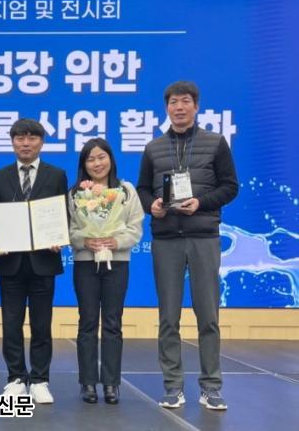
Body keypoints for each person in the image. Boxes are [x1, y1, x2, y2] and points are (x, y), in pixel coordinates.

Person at [136, 81, 238, 411]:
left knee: (208, 316)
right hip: (166, 239)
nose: (179, 107)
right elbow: (141, 189)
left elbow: (230, 187)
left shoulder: (215, 143)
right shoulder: (153, 148)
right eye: (173, 102)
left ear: (196, 106)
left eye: (185, 101)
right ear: (166, 108)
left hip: (203, 237)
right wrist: (151, 205)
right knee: (168, 317)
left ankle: (211, 387)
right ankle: (172, 386)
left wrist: (201, 203)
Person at [0, 118, 68, 404]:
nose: (25, 143)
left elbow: (62, 212)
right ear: (12, 142)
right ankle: (16, 378)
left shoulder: (56, 175)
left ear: (41, 142)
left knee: (41, 324)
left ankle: (40, 379)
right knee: (11, 324)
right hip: (10, 261)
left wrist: (59, 235)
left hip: (43, 261)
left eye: (32, 138)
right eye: (20, 138)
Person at [68, 138, 144, 404]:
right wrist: (84, 241)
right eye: (90, 159)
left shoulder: (126, 190)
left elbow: (135, 227)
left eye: (101, 157)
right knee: (87, 322)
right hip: (85, 264)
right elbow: (69, 230)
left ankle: (111, 383)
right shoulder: (75, 194)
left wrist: (116, 242)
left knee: (113, 322)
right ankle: (87, 382)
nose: (97, 163)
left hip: (117, 263)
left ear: (111, 159)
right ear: (84, 164)